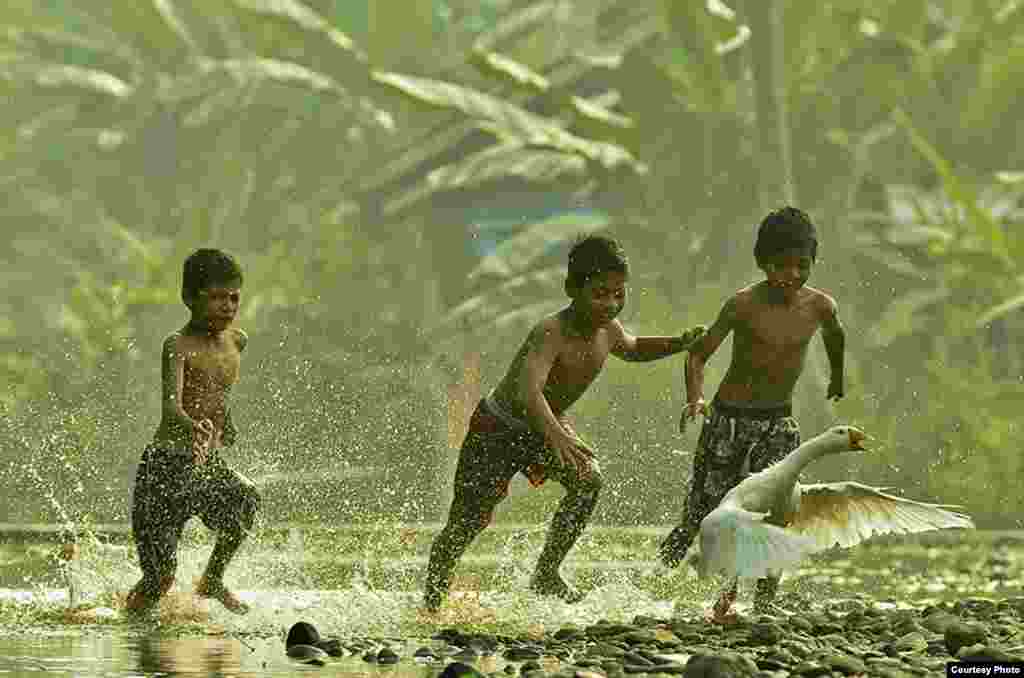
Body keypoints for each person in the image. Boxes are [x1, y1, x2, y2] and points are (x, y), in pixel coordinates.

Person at [423, 234, 707, 612]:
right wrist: (557, 433)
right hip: (499, 428)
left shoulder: (610, 329)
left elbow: (635, 349)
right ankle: (431, 601)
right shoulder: (551, 331)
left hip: (545, 428)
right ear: (574, 289)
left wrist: (678, 343)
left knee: (588, 481)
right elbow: (528, 391)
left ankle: (546, 572)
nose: (610, 304)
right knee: (467, 523)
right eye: (600, 293)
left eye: (618, 294)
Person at [658, 206, 846, 622]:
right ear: (763, 264)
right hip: (729, 418)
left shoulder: (821, 307)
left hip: (779, 422)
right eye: (782, 266)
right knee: (711, 510)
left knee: (774, 511)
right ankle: (686, 545)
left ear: (813, 262)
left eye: (802, 265)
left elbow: (836, 337)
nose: (792, 275)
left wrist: (838, 377)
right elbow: (698, 356)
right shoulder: (742, 305)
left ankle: (761, 602)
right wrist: (696, 399)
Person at [124, 248, 259, 616]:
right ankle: (128, 624)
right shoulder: (177, 345)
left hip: (204, 463)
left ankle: (213, 578)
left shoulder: (237, 341)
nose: (227, 306)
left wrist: (225, 420)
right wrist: (193, 424)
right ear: (189, 298)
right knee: (160, 579)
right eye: (215, 297)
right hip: (165, 467)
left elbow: (217, 391)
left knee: (246, 499)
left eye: (233, 298)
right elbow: (172, 407)